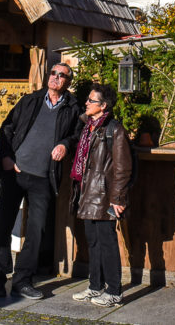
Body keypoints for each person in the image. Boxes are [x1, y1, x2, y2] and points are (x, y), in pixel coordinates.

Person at [0, 62, 83, 299]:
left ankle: (22, 280)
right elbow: (6, 128)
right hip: (15, 173)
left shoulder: (73, 108)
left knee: (37, 229)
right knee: (3, 225)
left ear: (67, 82)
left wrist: (65, 144)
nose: (56, 77)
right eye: (53, 73)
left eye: (62, 75)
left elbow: (76, 135)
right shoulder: (30, 100)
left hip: (43, 176)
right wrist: (7, 158)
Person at [70, 84, 131, 307]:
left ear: (103, 106)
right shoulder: (88, 126)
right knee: (93, 242)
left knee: (107, 243)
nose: (86, 103)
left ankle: (114, 291)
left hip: (104, 194)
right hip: (87, 191)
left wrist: (118, 198)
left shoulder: (114, 129)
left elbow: (122, 167)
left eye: (91, 100)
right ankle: (95, 287)